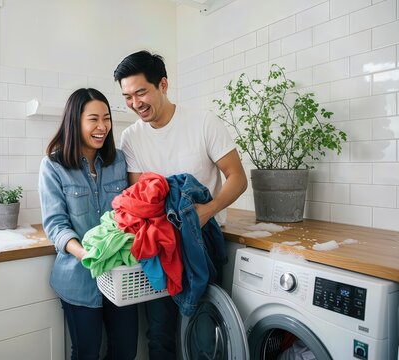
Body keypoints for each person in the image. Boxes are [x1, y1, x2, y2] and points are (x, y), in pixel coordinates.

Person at [114, 50, 248, 359]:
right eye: (127, 97)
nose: (135, 104)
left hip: (203, 243)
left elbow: (238, 178)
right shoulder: (131, 137)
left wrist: (206, 211)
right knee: (160, 335)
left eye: (141, 92)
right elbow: (139, 196)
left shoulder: (203, 122)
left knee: (203, 333)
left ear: (163, 84)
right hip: (161, 249)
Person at [38, 88, 138, 360]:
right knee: (86, 354)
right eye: (93, 119)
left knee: (126, 351)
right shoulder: (53, 165)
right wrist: (86, 255)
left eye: (106, 118)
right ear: (75, 121)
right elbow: (56, 225)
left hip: (120, 275)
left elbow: (133, 210)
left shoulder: (119, 161)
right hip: (78, 278)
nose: (102, 127)